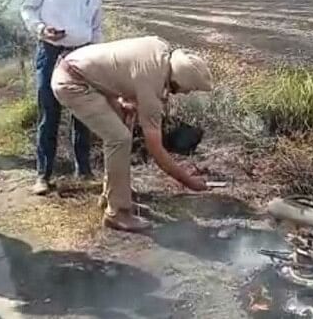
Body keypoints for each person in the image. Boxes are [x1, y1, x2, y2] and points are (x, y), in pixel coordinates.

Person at [51, 36, 212, 232]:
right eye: (188, 89)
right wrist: (189, 182)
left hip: (82, 73)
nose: (186, 94)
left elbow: (125, 69)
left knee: (121, 132)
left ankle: (113, 197)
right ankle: (117, 213)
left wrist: (125, 99)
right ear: (179, 80)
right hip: (73, 83)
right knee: (119, 138)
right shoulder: (152, 85)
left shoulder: (159, 49)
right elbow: (156, 150)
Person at [20, 0, 117, 195]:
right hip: (51, 53)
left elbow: (96, 28)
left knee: (83, 113)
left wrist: (98, 57)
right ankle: (43, 175)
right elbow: (27, 9)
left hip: (82, 55)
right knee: (48, 114)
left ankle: (83, 171)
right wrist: (42, 29)